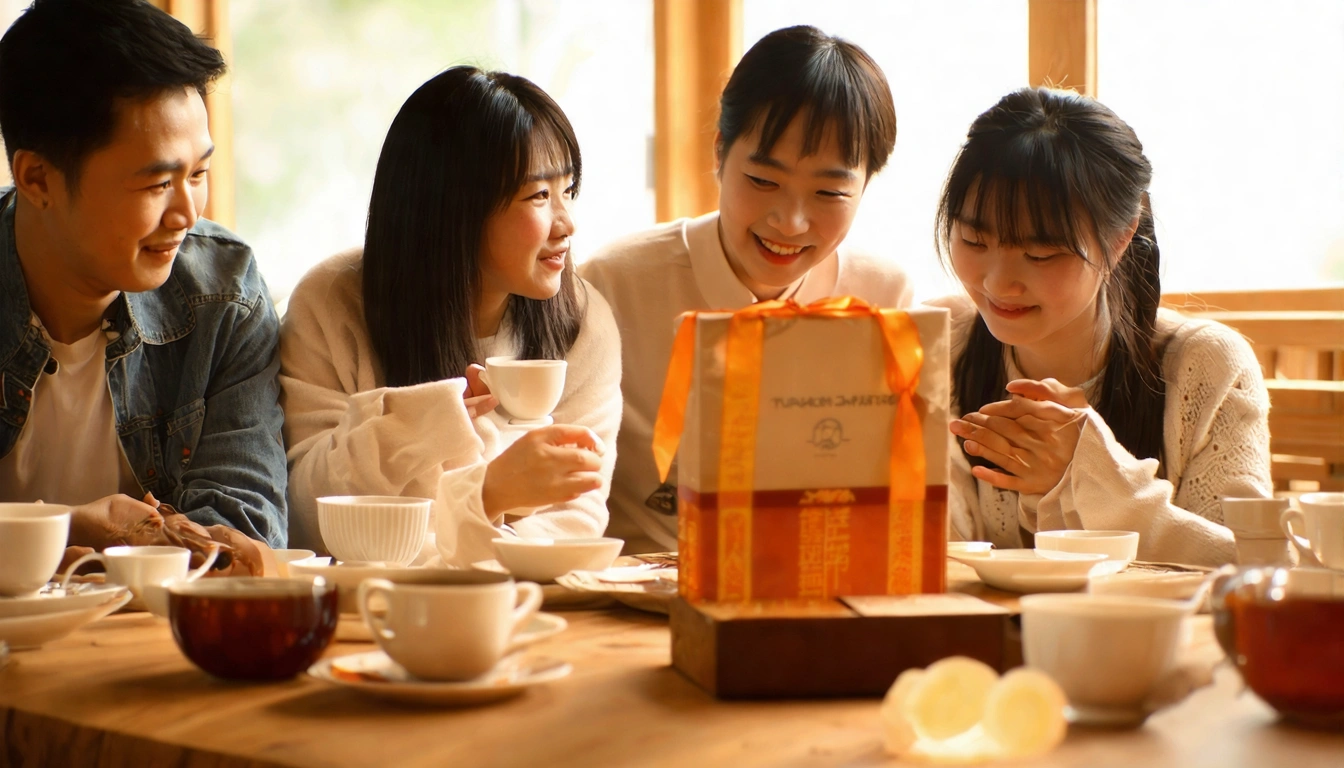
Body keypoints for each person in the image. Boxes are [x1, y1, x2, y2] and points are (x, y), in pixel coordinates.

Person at [581, 25, 913, 554]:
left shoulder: (882, 295)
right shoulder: (614, 284)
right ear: (719, 153)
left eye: (829, 192)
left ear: (866, 184)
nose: (790, 222)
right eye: (762, 181)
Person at [280, 66, 621, 567]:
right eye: (539, 196)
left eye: (568, 191)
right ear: (454, 208)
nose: (566, 223)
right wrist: (436, 438)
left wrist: (474, 512)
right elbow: (309, 513)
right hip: (372, 611)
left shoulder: (583, 322)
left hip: (529, 606)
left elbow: (575, 519)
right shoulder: (333, 302)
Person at [930, 87, 1270, 566]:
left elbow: (1256, 569)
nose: (998, 283)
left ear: (1120, 239)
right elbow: (926, 556)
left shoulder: (1206, 367)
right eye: (973, 239)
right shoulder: (940, 348)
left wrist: (1093, 477)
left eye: (1040, 254)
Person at [0, 0, 287, 553]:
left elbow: (243, 529)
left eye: (198, 173)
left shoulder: (222, 294)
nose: (187, 214)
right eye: (158, 184)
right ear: (38, 178)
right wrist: (63, 531)